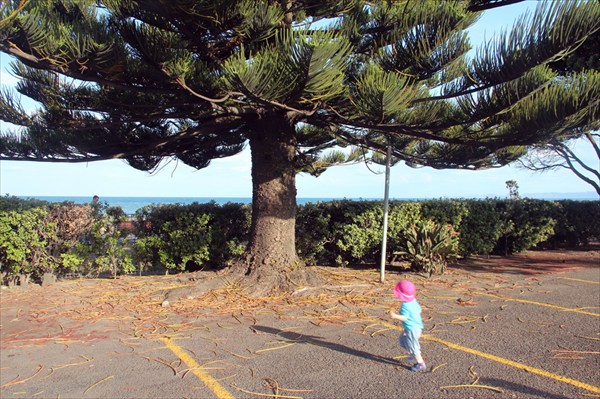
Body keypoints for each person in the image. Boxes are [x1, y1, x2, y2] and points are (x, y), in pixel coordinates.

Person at [390, 279, 427, 372]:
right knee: (402, 340)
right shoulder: (414, 301)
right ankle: (412, 353)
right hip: (416, 327)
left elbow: (405, 318)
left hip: (412, 329)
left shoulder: (405, 306)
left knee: (414, 346)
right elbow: (419, 310)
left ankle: (420, 363)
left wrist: (395, 316)